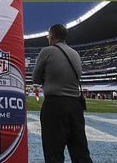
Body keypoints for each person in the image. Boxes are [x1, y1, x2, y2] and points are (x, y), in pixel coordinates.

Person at [33, 24, 92, 163]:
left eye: (48, 36)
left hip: (55, 105)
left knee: (53, 152)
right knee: (81, 152)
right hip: (75, 106)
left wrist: (48, 78)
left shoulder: (47, 51)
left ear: (52, 37)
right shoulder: (75, 53)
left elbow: (35, 78)